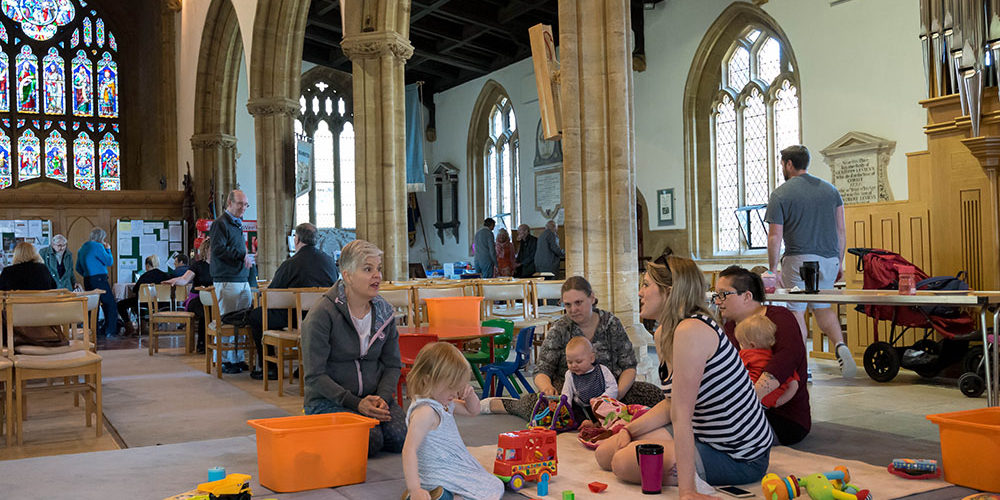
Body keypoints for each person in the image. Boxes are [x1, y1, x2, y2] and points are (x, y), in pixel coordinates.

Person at [596, 257, 772, 497]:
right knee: (605, 453)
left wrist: (688, 491)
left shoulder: (692, 330)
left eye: (646, 285)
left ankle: (691, 478)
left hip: (740, 456)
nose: (640, 292)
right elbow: (671, 403)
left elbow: (681, 414)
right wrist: (630, 430)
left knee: (624, 463)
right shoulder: (663, 333)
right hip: (705, 435)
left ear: (669, 292)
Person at [481, 276, 664, 417]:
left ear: (591, 298)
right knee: (535, 405)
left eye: (578, 303)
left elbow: (629, 367)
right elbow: (542, 370)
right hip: (571, 394)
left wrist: (614, 397)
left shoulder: (611, 324)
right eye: (568, 305)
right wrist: (547, 389)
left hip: (611, 391)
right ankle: (501, 405)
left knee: (652, 395)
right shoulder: (561, 328)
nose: (574, 309)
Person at [301, 239, 405, 456]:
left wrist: (383, 399)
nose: (377, 275)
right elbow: (314, 376)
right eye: (368, 269)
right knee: (369, 441)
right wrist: (356, 404)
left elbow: (392, 364)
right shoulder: (322, 314)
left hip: (374, 397)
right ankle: (318, 427)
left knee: (400, 437)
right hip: (329, 401)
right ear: (347, 275)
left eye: (378, 268)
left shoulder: (384, 312)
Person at [765, 144, 855, 377]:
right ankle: (840, 346)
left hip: (798, 259)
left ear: (789, 164)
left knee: (796, 310)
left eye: (783, 164)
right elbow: (841, 230)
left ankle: (801, 366)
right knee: (823, 308)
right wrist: (839, 262)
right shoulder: (831, 191)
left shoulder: (781, 194)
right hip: (829, 259)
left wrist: (772, 269)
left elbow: (775, 235)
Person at [715, 265, 811, 446]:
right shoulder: (730, 328)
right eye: (716, 295)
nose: (718, 301)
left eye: (723, 294)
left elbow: (788, 358)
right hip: (745, 411)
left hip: (783, 418)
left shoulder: (780, 317)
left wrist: (745, 404)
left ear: (747, 296)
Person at [401, 342, 504, 500]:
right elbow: (409, 450)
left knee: (493, 484)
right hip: (436, 474)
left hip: (447, 468)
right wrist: (415, 489)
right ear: (428, 381)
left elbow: (473, 411)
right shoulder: (425, 412)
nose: (455, 393)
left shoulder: (442, 403)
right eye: (451, 387)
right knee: (484, 491)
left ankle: (444, 495)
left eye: (458, 387)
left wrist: (469, 394)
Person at [248, 223, 339, 380]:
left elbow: (271, 295)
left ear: (296, 240)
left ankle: (270, 368)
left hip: (294, 319)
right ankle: (305, 367)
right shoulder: (329, 262)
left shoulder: (290, 264)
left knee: (256, 316)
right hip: (324, 317)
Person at [210, 189, 253, 374]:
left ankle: (237, 357)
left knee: (242, 320)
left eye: (245, 205)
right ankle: (225, 360)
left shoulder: (237, 223)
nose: (243, 208)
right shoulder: (221, 223)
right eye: (240, 204)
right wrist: (242, 255)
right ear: (229, 203)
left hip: (241, 277)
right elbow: (218, 249)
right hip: (227, 278)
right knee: (228, 321)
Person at [734, 314, 799, 409]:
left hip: (748, 395)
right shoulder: (776, 359)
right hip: (769, 402)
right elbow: (794, 385)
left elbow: (735, 371)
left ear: (752, 345)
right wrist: (779, 401)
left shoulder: (746, 354)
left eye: (741, 343)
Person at [165, 238, 214, 353]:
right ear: (206, 249)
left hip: (214, 299)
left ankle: (218, 344)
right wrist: (173, 281)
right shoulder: (197, 265)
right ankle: (202, 344)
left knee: (216, 309)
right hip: (196, 299)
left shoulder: (220, 266)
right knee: (205, 311)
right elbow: (184, 279)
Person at [561, 336, 618, 427]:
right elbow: (567, 393)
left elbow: (613, 388)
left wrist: (601, 400)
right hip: (582, 406)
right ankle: (584, 422)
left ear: (591, 358)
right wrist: (564, 407)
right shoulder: (570, 374)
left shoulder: (602, 370)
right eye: (569, 362)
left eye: (578, 361)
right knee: (574, 409)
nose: (574, 365)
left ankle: (599, 423)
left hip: (600, 404)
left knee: (611, 409)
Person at [115, 255, 172, 337]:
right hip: (162, 303)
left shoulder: (145, 276)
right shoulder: (165, 275)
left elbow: (135, 290)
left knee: (122, 304)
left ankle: (130, 326)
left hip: (144, 303)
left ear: (147, 265)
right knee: (138, 302)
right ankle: (143, 325)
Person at [77, 227, 117, 338]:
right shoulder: (98, 246)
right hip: (100, 279)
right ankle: (110, 331)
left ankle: (93, 331)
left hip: (88, 280)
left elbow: (78, 268)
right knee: (110, 305)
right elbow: (109, 261)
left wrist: (88, 275)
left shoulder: (82, 248)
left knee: (93, 305)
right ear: (101, 238)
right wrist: (108, 249)